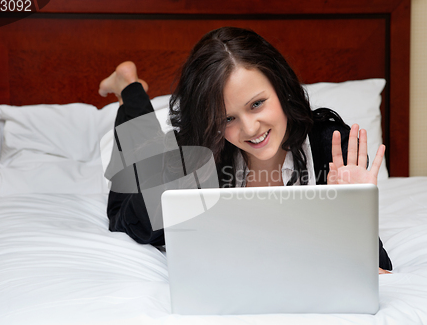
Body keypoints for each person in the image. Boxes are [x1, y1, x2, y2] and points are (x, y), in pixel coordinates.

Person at [99, 27, 392, 273]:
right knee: (139, 160)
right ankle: (129, 86)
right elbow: (128, 222)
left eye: (257, 104)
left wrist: (356, 211)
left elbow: (379, 269)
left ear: (282, 88)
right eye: (228, 118)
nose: (251, 129)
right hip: (176, 162)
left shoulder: (335, 151)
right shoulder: (196, 156)